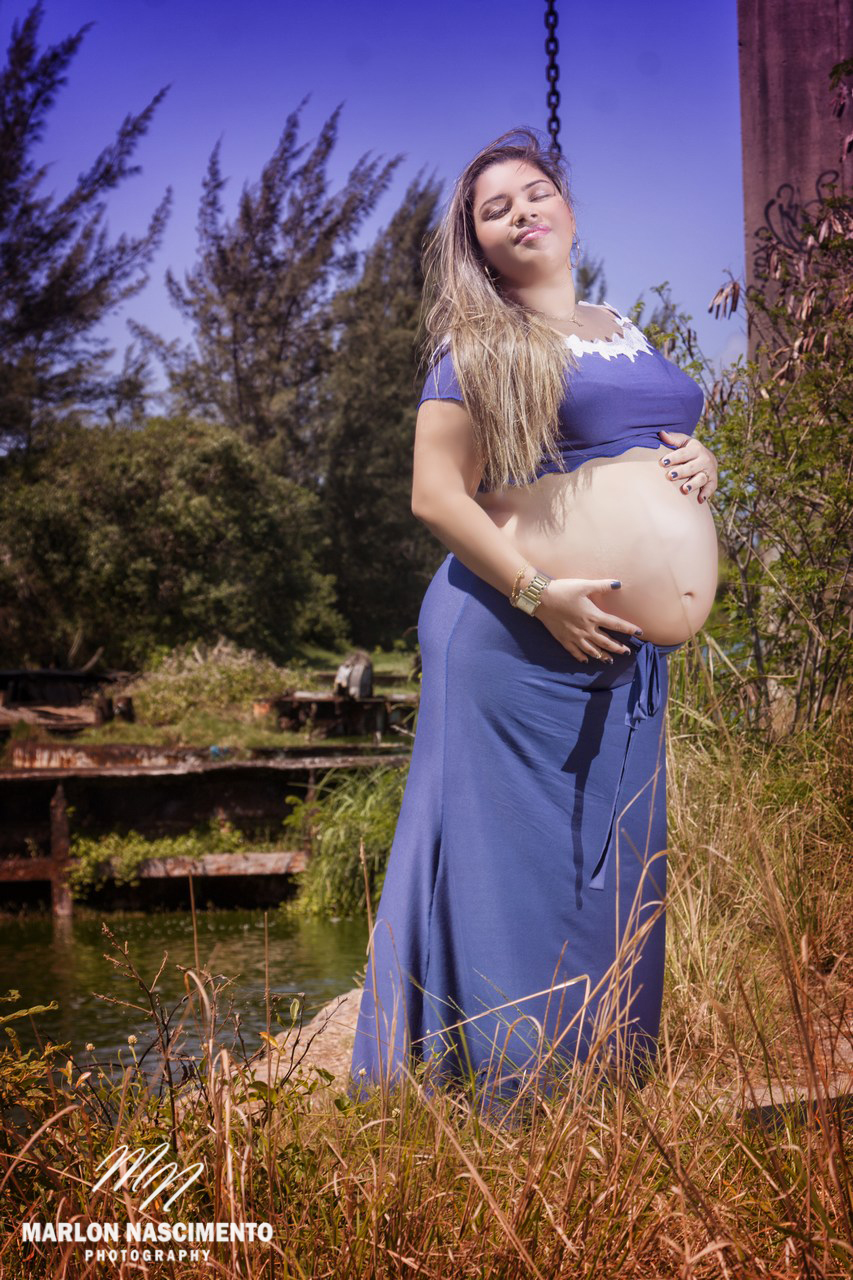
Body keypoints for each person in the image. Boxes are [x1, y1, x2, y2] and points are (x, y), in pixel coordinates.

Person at [348, 127, 719, 1118]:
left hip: (619, 650)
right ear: (475, 243)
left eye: (535, 191)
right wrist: (536, 594)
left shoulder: (617, 323)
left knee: (612, 857)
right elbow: (436, 493)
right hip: (512, 634)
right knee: (516, 865)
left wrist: (702, 463)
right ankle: (507, 1095)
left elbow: (641, 445)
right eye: (494, 208)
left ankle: (599, 1086)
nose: (522, 212)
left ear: (568, 208)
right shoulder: (478, 344)